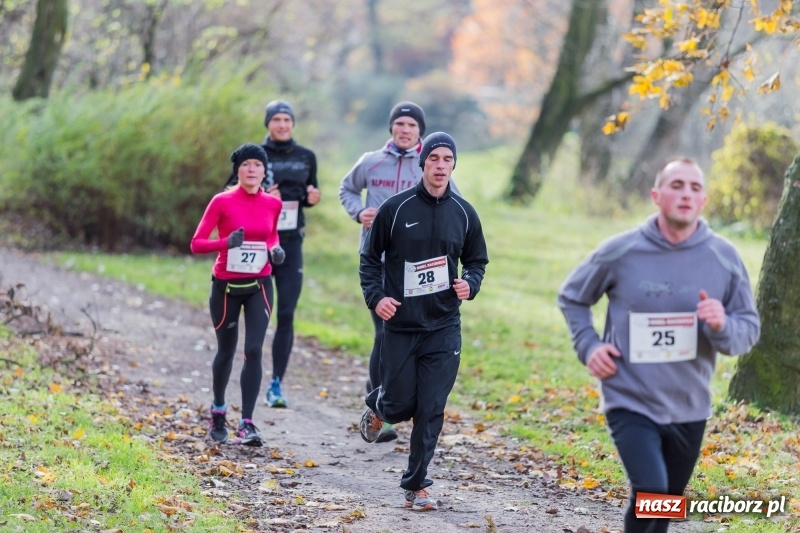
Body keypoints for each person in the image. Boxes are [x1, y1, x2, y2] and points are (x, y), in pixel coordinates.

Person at [557, 158, 760, 532]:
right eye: (677, 185)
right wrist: (589, 346)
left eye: (695, 188)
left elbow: (747, 329)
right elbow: (572, 297)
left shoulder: (724, 258)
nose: (686, 194)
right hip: (629, 395)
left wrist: (721, 324)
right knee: (651, 489)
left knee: (662, 504)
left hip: (689, 404)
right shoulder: (621, 251)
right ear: (656, 195)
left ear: (704, 200)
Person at [358, 132, 489, 511]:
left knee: (431, 407)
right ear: (423, 163)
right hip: (401, 323)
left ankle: (416, 485)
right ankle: (380, 407)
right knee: (400, 403)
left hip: (444, 325)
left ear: (453, 165)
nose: (441, 165)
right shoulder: (396, 209)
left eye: (448, 159)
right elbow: (369, 259)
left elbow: (477, 260)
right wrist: (377, 297)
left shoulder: (464, 213)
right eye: (434, 158)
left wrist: (471, 283)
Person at [339, 101, 460, 442]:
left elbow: (456, 207)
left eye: (411, 125)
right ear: (391, 128)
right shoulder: (370, 161)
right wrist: (358, 211)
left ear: (420, 131)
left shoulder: (431, 164)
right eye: (400, 124)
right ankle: (383, 405)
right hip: (377, 261)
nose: (405, 130)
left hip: (416, 270)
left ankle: (383, 403)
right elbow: (345, 188)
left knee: (406, 337)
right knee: (384, 332)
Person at [225, 100, 320, 408]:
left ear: (293, 123)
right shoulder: (254, 156)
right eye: (276, 119)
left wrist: (312, 197)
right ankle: (244, 372)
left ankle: (276, 383)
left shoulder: (307, 157)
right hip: (257, 245)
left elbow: (310, 193)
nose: (282, 125)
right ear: (268, 123)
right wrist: (264, 197)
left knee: (287, 314)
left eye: (286, 120)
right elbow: (228, 193)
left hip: (290, 244)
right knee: (254, 315)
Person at [192, 143, 286, 446]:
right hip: (226, 288)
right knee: (226, 350)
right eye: (246, 164)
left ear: (264, 170)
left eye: (257, 165)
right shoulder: (221, 201)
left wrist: (275, 250)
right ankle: (218, 412)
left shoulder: (273, 203)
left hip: (259, 284)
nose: (251, 170)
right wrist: (225, 244)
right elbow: (196, 243)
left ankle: (247, 422)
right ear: (238, 169)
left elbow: (271, 234)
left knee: (255, 350)